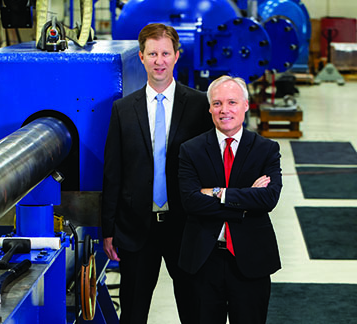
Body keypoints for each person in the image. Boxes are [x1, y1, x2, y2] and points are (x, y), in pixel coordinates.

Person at [101, 23, 212, 324]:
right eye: (152, 53)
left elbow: (210, 168)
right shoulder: (123, 110)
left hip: (185, 226)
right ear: (141, 57)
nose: (159, 60)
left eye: (165, 53)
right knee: (134, 312)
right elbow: (114, 171)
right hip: (137, 227)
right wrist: (108, 228)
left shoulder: (200, 106)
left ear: (177, 55)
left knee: (195, 308)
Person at [178, 75, 282, 324]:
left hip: (250, 261)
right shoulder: (190, 150)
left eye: (232, 102)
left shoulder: (266, 149)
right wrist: (245, 204)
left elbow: (268, 199)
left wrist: (217, 192)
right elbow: (191, 201)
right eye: (217, 103)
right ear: (210, 108)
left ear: (246, 105)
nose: (224, 110)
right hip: (203, 260)